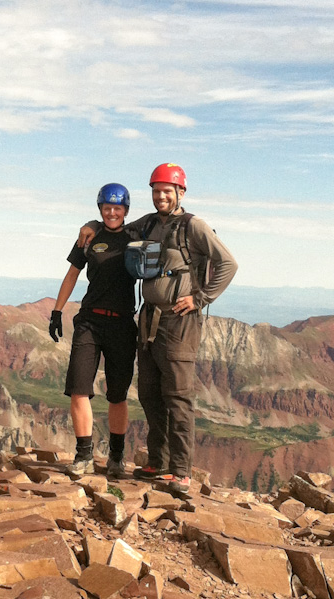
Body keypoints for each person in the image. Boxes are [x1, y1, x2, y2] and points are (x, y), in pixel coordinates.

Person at [77, 163, 237, 493]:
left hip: (179, 321)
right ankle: (157, 462)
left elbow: (228, 263)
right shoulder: (148, 223)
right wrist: (92, 223)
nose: (161, 196)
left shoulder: (193, 226)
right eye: (156, 190)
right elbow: (115, 224)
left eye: (167, 190)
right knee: (150, 393)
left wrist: (201, 297)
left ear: (180, 193)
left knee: (177, 395)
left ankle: (180, 471)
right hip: (148, 319)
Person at [49, 183, 137, 478]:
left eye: (118, 208)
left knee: (117, 395)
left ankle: (116, 455)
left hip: (123, 324)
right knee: (78, 389)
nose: (112, 213)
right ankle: (84, 455)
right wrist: (57, 311)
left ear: (126, 210)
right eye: (107, 208)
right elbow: (72, 274)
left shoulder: (136, 237)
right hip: (90, 321)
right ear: (100, 209)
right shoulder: (89, 237)